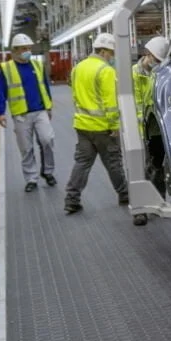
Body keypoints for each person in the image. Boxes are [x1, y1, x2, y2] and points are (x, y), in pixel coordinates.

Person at [64, 33, 129, 215]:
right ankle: (125, 195)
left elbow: (75, 96)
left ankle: (71, 200)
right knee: (113, 163)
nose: (112, 57)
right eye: (111, 53)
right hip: (103, 128)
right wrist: (114, 125)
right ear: (103, 51)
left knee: (82, 163)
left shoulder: (77, 68)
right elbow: (110, 102)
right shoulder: (105, 70)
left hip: (82, 125)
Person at [0, 33, 56, 192]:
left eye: (29, 48)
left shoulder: (37, 65)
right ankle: (31, 178)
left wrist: (49, 106)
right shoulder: (7, 68)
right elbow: (1, 91)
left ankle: (48, 171)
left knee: (47, 139)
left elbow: (45, 86)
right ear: (15, 51)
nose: (27, 51)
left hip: (40, 110)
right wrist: (1, 112)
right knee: (26, 148)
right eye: (24, 49)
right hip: (21, 114)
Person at [132, 36, 169, 139]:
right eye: (157, 60)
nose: (158, 63)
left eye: (160, 61)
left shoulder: (159, 73)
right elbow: (137, 107)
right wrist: (141, 134)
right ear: (148, 54)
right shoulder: (134, 75)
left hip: (157, 128)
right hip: (141, 131)